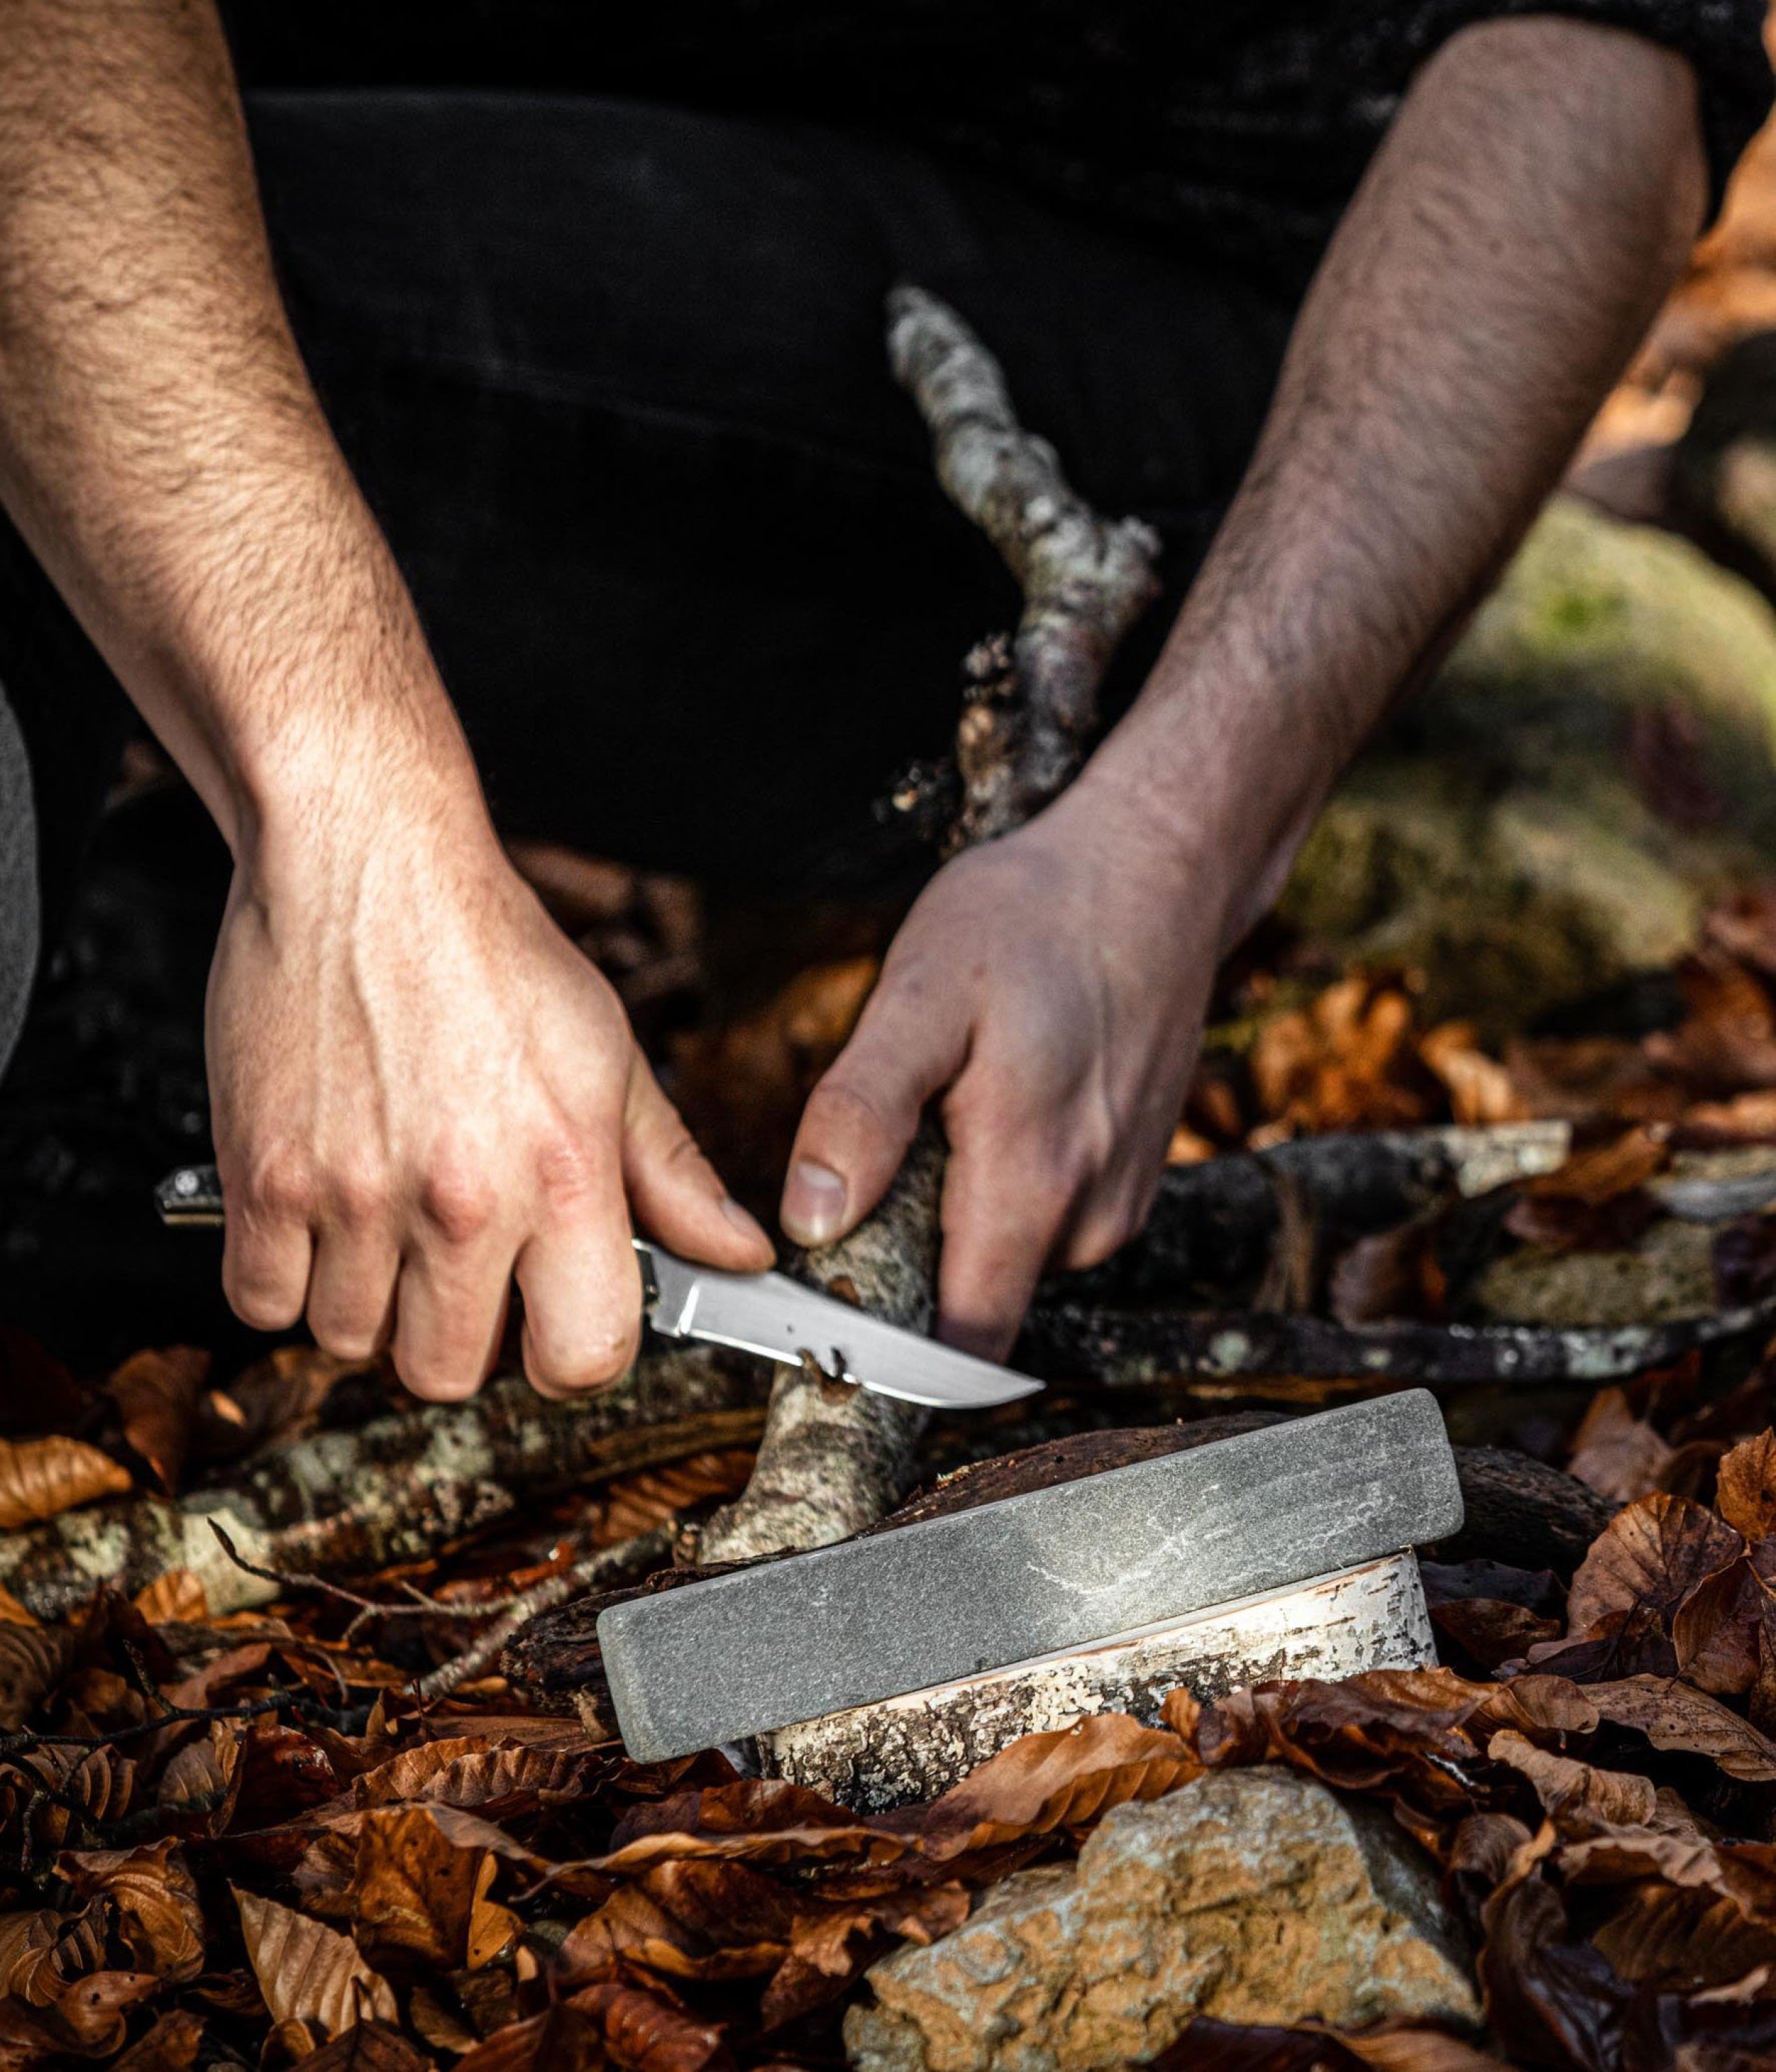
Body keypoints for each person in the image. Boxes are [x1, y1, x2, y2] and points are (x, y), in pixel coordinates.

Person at [0, 3, 1762, 1400]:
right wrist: (348, 813)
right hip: (213, 183)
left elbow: (1604, 51)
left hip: (1107, 334)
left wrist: (1167, 839)